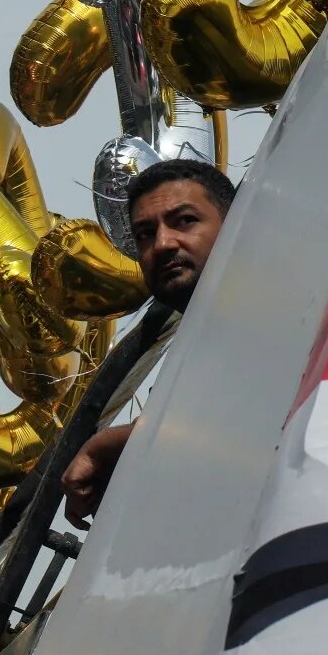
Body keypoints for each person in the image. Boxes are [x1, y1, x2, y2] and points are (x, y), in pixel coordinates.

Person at [61, 157, 235, 529]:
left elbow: (250, 408)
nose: (162, 243)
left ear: (237, 224)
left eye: (185, 221)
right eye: (144, 234)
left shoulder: (288, 302)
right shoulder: (196, 351)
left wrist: (114, 443)